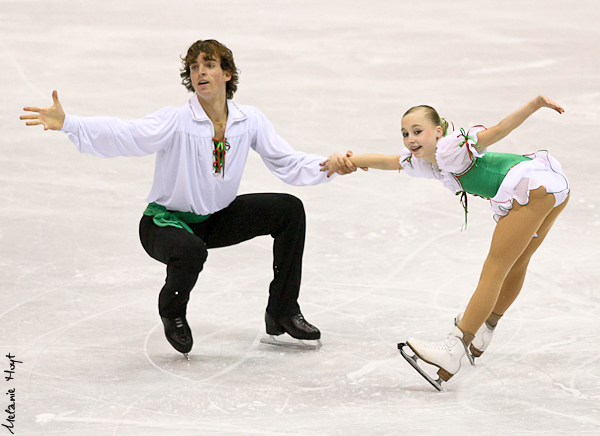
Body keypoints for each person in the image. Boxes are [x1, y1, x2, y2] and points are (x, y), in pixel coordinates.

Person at [21, 39, 354, 358]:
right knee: (191, 250)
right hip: (165, 223)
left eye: (209, 65)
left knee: (289, 210)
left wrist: (329, 165)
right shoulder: (177, 120)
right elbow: (127, 133)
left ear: (227, 74)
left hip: (215, 219)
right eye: (194, 67)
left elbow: (287, 161)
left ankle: (282, 311)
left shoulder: (248, 120)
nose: (200, 72)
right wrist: (70, 123)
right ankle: (172, 310)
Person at [320, 95, 570, 389]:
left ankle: (455, 347)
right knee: (516, 263)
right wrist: (349, 161)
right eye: (405, 133)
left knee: (496, 267)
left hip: (530, 187)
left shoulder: (451, 148)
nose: (411, 139)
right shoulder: (427, 161)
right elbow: (389, 161)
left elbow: (500, 130)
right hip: (550, 188)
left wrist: (536, 104)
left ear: (438, 131)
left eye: (417, 131)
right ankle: (485, 328)